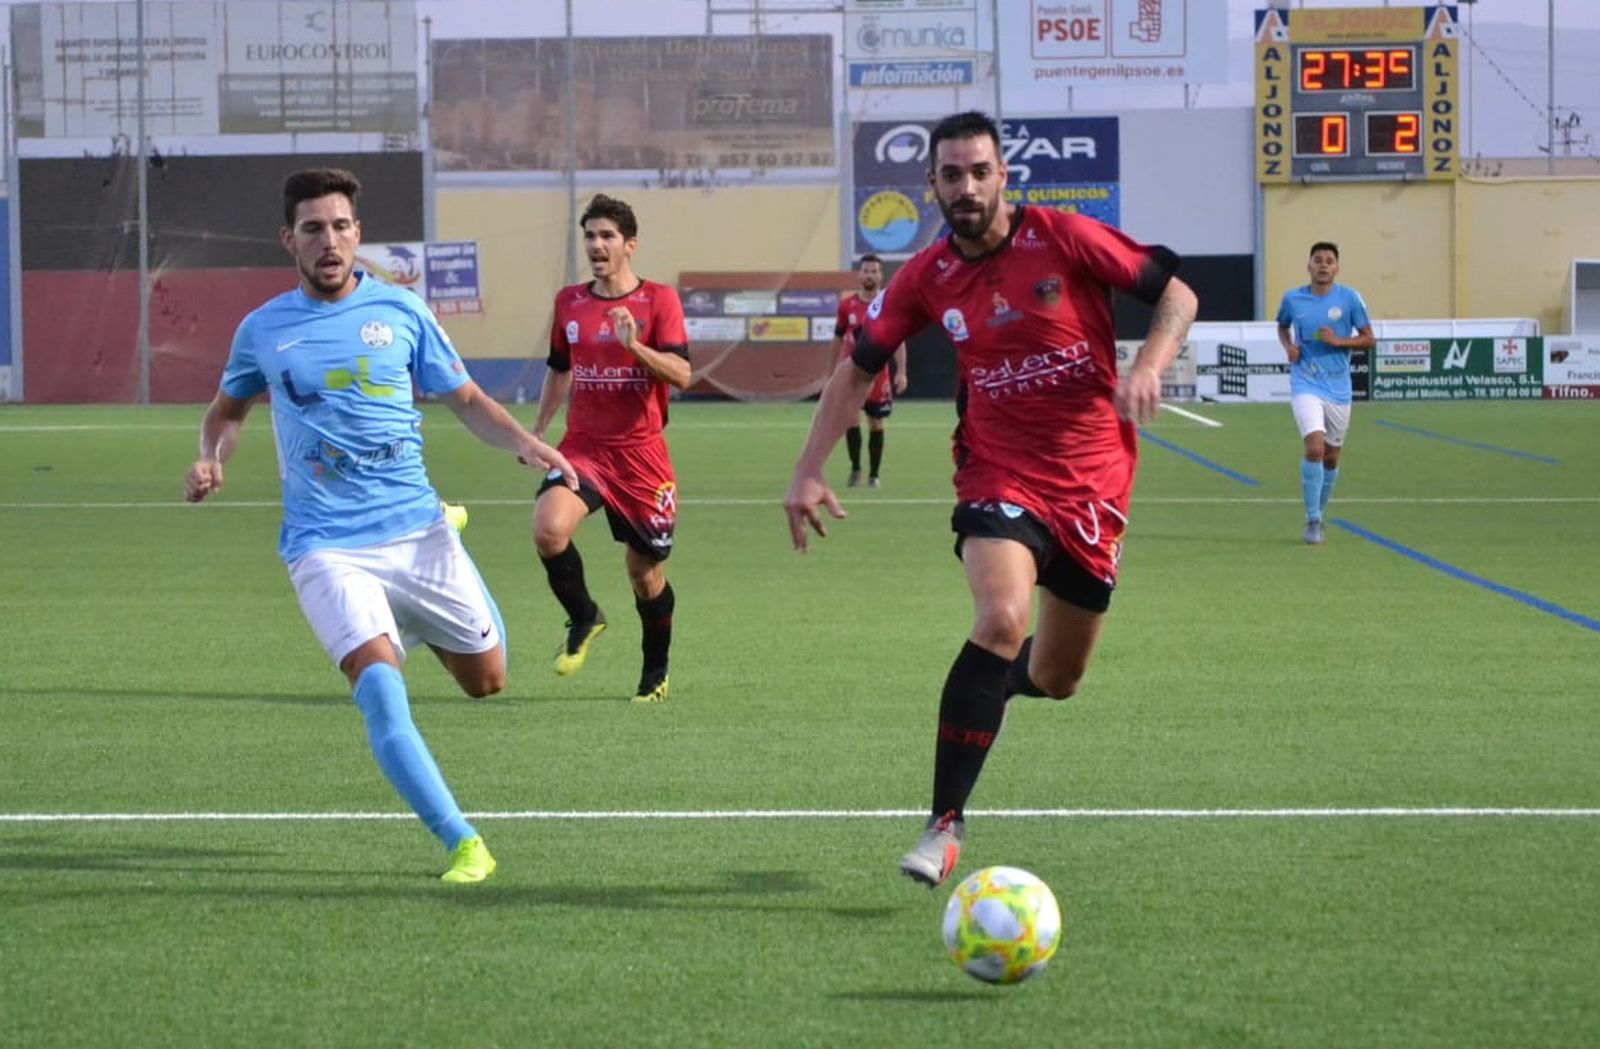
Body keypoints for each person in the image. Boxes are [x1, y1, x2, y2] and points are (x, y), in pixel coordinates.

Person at [783, 111, 1198, 887]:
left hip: (1095, 482)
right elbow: (857, 368)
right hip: (998, 472)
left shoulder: (1064, 236)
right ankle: (944, 822)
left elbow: (1176, 292)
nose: (966, 187)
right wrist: (808, 467)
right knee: (1002, 616)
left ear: (1003, 175)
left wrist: (1149, 363)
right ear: (932, 185)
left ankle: (999, 680)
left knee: (1058, 676)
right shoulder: (926, 277)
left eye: (979, 171)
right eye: (951, 175)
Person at [184, 168, 578, 884]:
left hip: (418, 531)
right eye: (312, 229)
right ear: (289, 240)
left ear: (358, 234)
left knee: (487, 682)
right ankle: (463, 841)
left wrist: (526, 444)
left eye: (340, 227)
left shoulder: (401, 310)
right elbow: (226, 413)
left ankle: (444, 544)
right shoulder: (262, 329)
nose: (329, 242)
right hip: (326, 547)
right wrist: (211, 457)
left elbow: (466, 399)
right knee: (381, 692)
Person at [530, 194, 691, 704]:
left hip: (642, 457)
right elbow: (560, 369)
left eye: (607, 236)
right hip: (585, 448)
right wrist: (538, 432)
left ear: (630, 245)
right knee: (549, 529)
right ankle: (584, 616)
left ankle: (655, 672)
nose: (596, 245)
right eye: (590, 236)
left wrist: (633, 347)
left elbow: (683, 374)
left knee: (645, 575)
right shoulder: (569, 302)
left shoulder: (659, 301)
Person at [1275, 241, 1374, 545]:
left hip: (1339, 388)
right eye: (1318, 260)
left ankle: (1320, 510)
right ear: (1309, 265)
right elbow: (1282, 326)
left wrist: (1339, 342)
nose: (1323, 265)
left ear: (1336, 268)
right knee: (1315, 449)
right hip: (1305, 382)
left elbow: (1369, 339)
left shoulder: (1349, 298)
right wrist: (1289, 347)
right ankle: (1313, 520)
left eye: (1329, 261)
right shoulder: (1292, 298)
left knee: (1331, 458)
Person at [832, 254, 908, 488]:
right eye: (866, 270)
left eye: (874, 271)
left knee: (876, 422)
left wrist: (901, 371)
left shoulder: (888, 304)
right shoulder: (847, 306)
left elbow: (898, 339)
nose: (869, 275)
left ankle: (874, 475)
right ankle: (855, 469)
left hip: (878, 374)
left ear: (881, 275)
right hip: (852, 373)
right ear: (859, 274)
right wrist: (833, 370)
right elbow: (837, 338)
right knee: (851, 420)